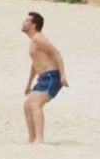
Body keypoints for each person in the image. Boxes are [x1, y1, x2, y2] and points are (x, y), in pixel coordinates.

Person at [21, 11, 68, 144]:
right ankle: (32, 138)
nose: (24, 22)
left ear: (34, 25)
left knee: (35, 104)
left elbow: (56, 52)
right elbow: (35, 63)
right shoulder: (33, 40)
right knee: (27, 105)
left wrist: (63, 74)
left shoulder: (38, 39)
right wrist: (29, 83)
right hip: (43, 77)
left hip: (51, 76)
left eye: (27, 21)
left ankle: (39, 139)